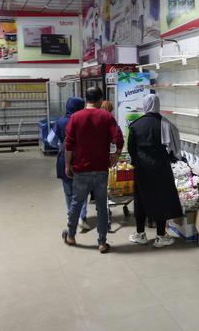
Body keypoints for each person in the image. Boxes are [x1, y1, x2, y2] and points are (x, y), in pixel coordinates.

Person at [64, 86, 124, 253]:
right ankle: (102, 242)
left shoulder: (75, 117)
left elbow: (69, 144)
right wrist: (116, 155)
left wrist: (68, 165)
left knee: (76, 203)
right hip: (100, 169)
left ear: (86, 99)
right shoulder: (106, 116)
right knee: (101, 206)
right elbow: (119, 138)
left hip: (81, 169)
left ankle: (70, 235)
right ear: (100, 100)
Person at [127, 94, 183, 248]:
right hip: (161, 167)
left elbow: (131, 149)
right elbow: (173, 150)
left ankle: (140, 234)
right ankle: (160, 236)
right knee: (161, 199)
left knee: (140, 200)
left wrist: (139, 159)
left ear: (145, 105)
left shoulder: (135, 125)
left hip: (142, 168)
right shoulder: (165, 124)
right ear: (158, 104)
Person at [54, 97, 90, 231]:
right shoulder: (85, 121)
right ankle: (82, 217)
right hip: (82, 159)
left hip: (65, 159)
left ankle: (71, 216)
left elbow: (51, 141)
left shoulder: (60, 122)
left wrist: (61, 143)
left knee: (68, 191)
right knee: (83, 191)